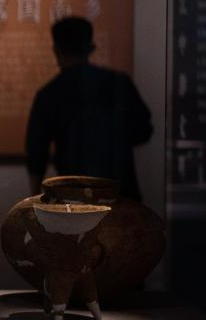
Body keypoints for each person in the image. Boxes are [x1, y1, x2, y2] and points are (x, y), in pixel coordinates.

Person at [25, 16, 152, 201]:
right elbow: (144, 130)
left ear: (56, 50)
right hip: (120, 192)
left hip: (73, 197)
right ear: (91, 48)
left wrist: (35, 196)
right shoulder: (119, 83)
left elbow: (36, 152)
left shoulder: (49, 94)